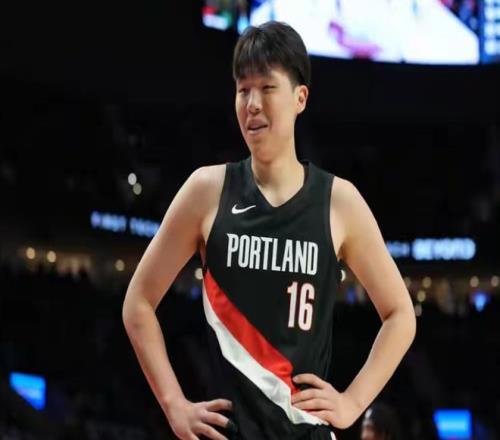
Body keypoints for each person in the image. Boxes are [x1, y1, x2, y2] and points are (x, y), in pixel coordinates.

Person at [122, 21, 416, 440]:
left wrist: (352, 402)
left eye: (267, 88)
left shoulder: (339, 202)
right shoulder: (207, 190)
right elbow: (138, 302)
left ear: (300, 98)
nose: (252, 104)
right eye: (243, 90)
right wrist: (174, 405)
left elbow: (401, 314)